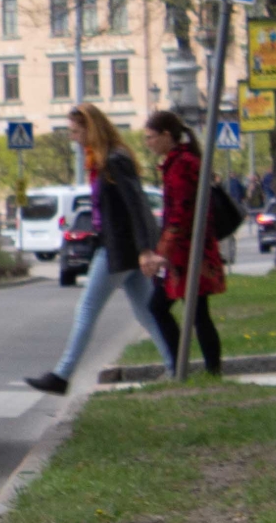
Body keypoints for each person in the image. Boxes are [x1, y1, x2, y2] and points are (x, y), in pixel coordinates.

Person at [26, 104, 173, 395]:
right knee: (146, 311)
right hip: (121, 248)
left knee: (87, 309)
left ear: (90, 129)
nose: (73, 138)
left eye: (75, 131)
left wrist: (145, 249)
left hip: (118, 249)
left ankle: (62, 375)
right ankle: (175, 366)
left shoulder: (113, 160)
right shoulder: (105, 160)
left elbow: (136, 205)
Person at [141, 109, 225, 376]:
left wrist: (161, 254)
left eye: (151, 137)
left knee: (165, 308)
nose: (148, 143)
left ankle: (185, 369)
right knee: (196, 313)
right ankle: (198, 369)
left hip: (188, 254)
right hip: (189, 252)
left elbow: (180, 215)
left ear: (167, 135)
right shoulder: (180, 162)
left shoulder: (182, 165)